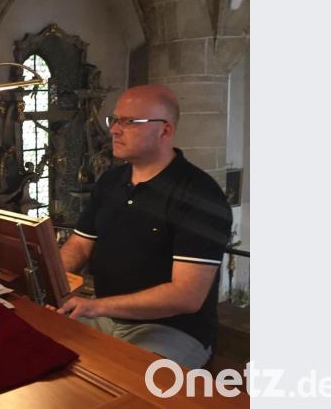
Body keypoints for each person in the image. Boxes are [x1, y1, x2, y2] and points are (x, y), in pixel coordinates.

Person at [57, 84, 232, 369]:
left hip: (173, 330)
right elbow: (78, 245)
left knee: (131, 385)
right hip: (104, 315)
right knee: (39, 348)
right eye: (114, 119)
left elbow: (186, 296)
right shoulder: (111, 181)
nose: (114, 129)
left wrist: (96, 305)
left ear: (165, 131)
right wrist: (53, 282)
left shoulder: (200, 195)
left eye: (129, 122)